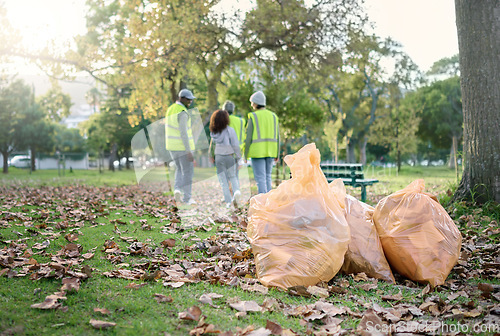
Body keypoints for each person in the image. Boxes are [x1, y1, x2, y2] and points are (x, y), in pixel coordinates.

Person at [165, 89, 197, 205]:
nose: (190, 102)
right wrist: (188, 151)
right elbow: (183, 133)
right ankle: (187, 198)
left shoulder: (170, 109)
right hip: (182, 147)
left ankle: (177, 189)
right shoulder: (182, 112)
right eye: (188, 99)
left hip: (171, 147)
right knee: (188, 172)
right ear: (182, 98)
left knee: (179, 169)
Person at [244, 91, 279, 194]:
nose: (251, 105)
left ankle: (263, 204)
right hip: (271, 151)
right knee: (268, 177)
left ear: (255, 103)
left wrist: (245, 154)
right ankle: (268, 203)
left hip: (257, 151)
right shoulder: (273, 116)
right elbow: (278, 136)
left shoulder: (253, 116)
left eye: (252, 102)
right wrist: (277, 153)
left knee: (260, 179)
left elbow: (248, 137)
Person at [209, 109, 241, 207]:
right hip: (229, 156)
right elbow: (235, 145)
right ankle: (236, 192)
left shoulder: (214, 132)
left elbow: (211, 146)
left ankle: (228, 202)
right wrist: (239, 157)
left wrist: (211, 156)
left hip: (218, 157)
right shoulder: (230, 130)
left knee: (223, 180)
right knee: (233, 176)